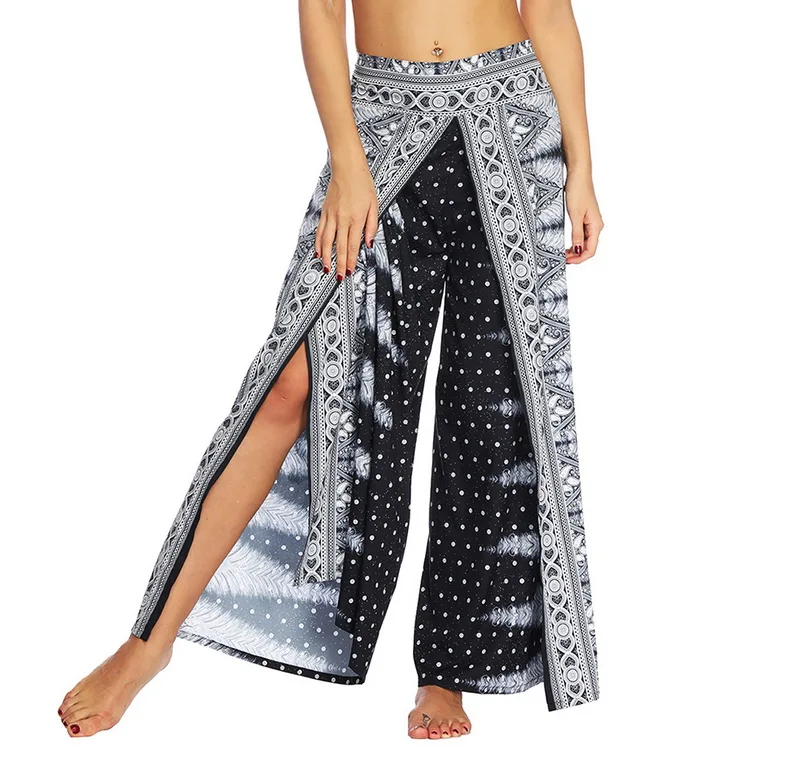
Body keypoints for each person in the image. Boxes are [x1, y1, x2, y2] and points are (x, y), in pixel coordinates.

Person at [58, 0, 604, 740]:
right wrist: (347, 160)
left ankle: (446, 673)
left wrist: (582, 164)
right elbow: (320, 10)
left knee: (490, 414)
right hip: (381, 123)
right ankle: (147, 645)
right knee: (290, 384)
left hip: (514, 124)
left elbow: (547, 9)